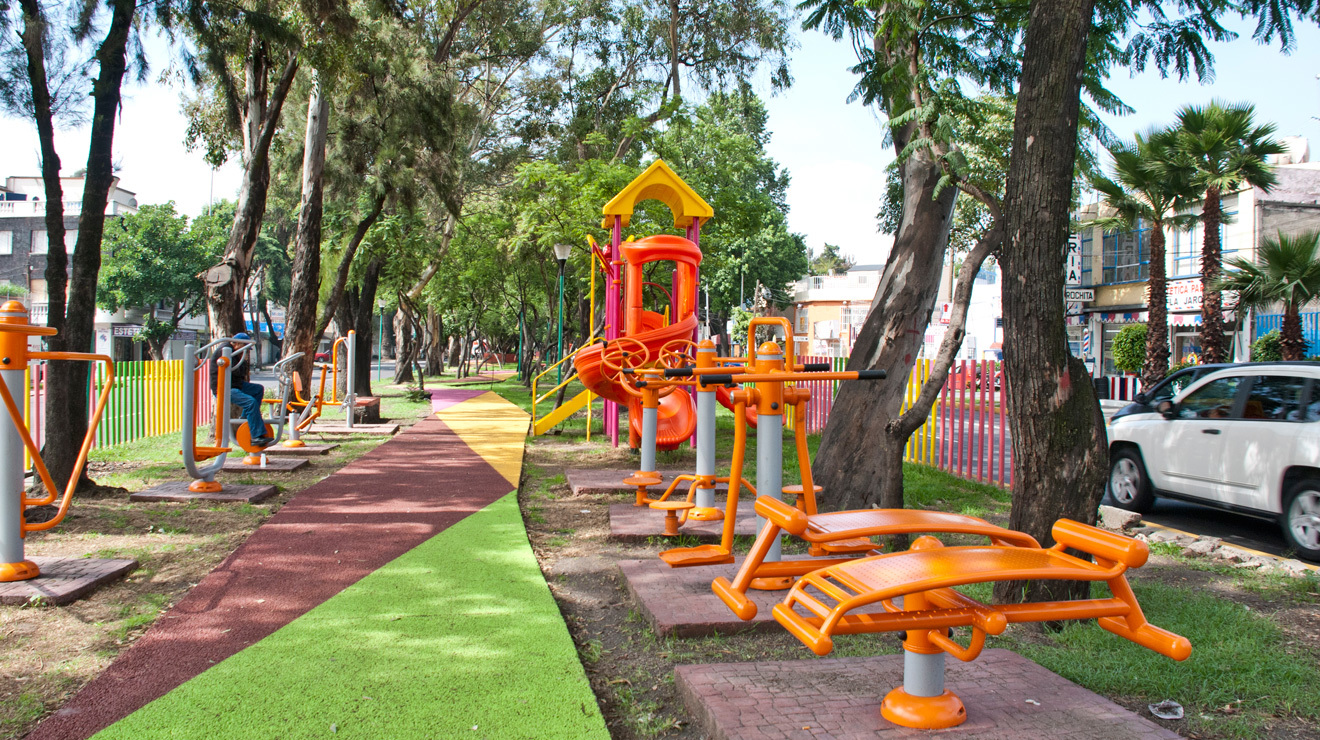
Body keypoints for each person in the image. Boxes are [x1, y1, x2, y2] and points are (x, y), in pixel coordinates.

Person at [210, 333, 271, 447]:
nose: (245, 352)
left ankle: (245, 417)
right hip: (224, 388)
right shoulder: (226, 350)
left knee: (258, 389)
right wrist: (242, 361)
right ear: (237, 344)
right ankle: (256, 436)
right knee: (250, 402)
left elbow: (239, 373)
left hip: (234, 384)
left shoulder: (235, 351)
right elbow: (236, 371)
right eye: (245, 348)